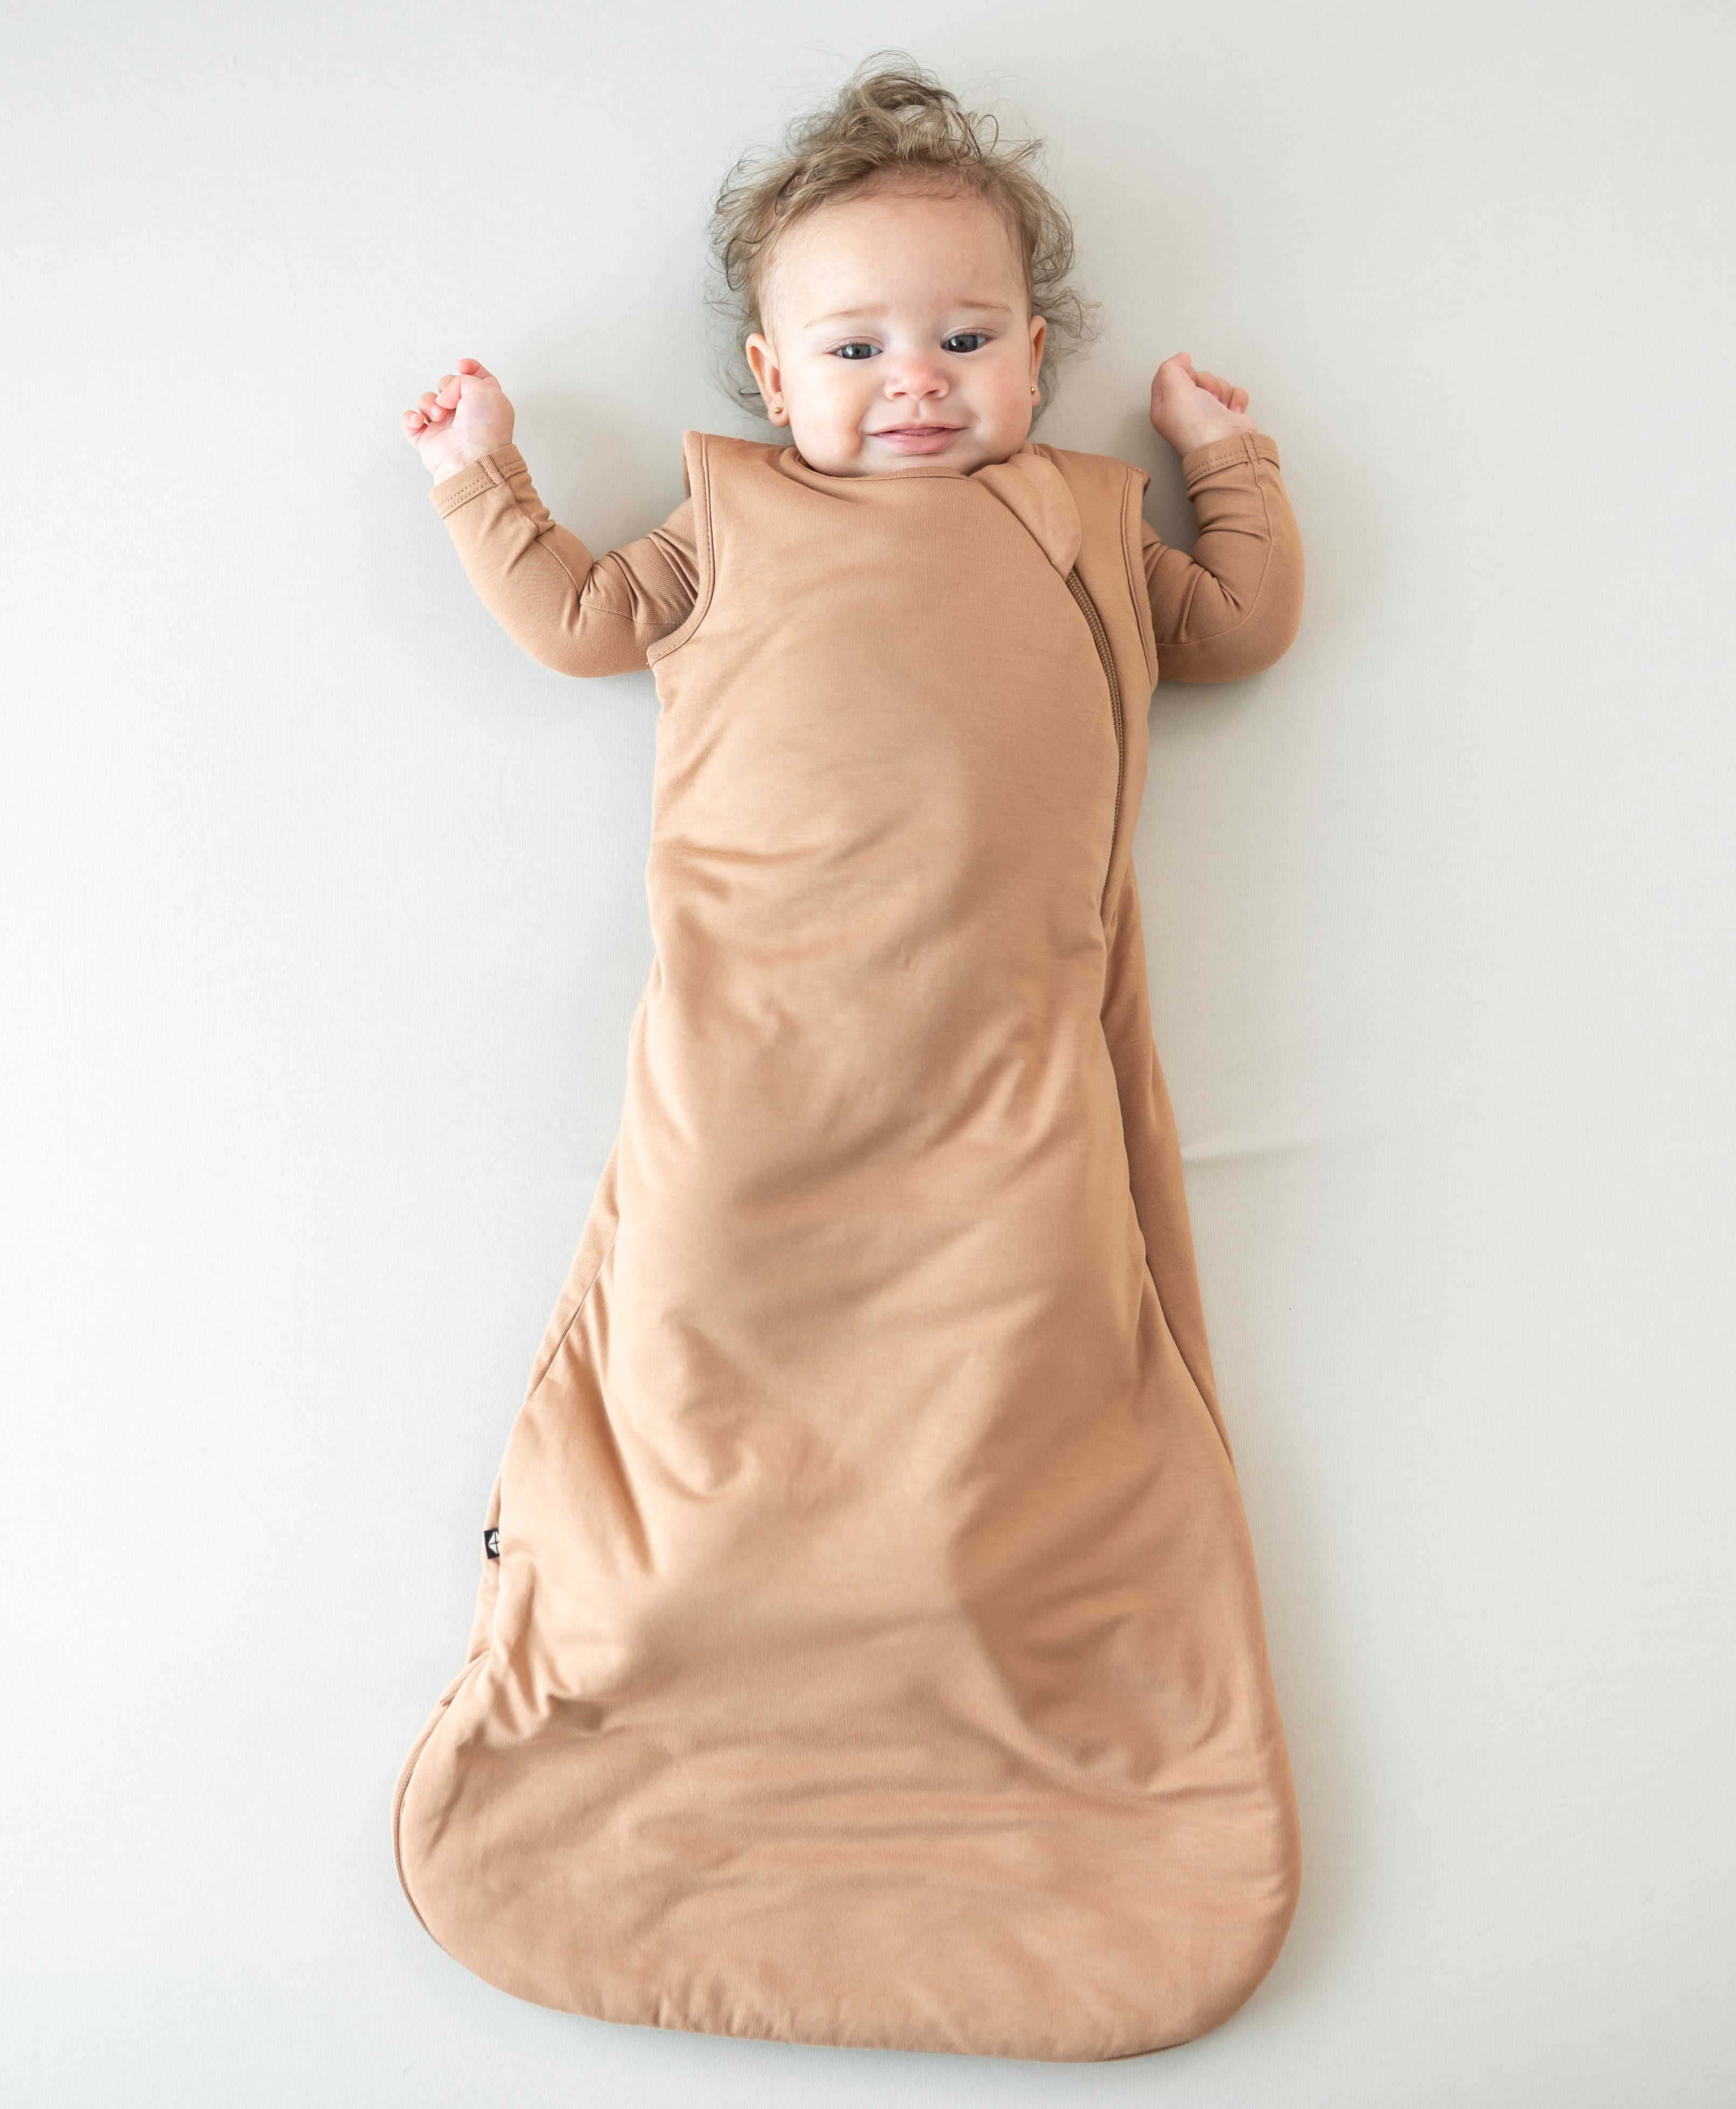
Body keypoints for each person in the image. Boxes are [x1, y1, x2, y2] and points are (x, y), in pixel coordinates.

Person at [390, 54, 1307, 2063]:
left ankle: (986, 1704)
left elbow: (1237, 627)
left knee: (1013, 1371)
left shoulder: (1082, 524)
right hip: (755, 1065)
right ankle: (673, 1657)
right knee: (697, 1351)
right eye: (858, 342)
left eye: (965, 337)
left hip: (1002, 1077)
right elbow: (570, 624)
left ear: (1035, 356)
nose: (916, 377)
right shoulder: (724, 520)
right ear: (768, 372)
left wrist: (1219, 458)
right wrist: (483, 480)